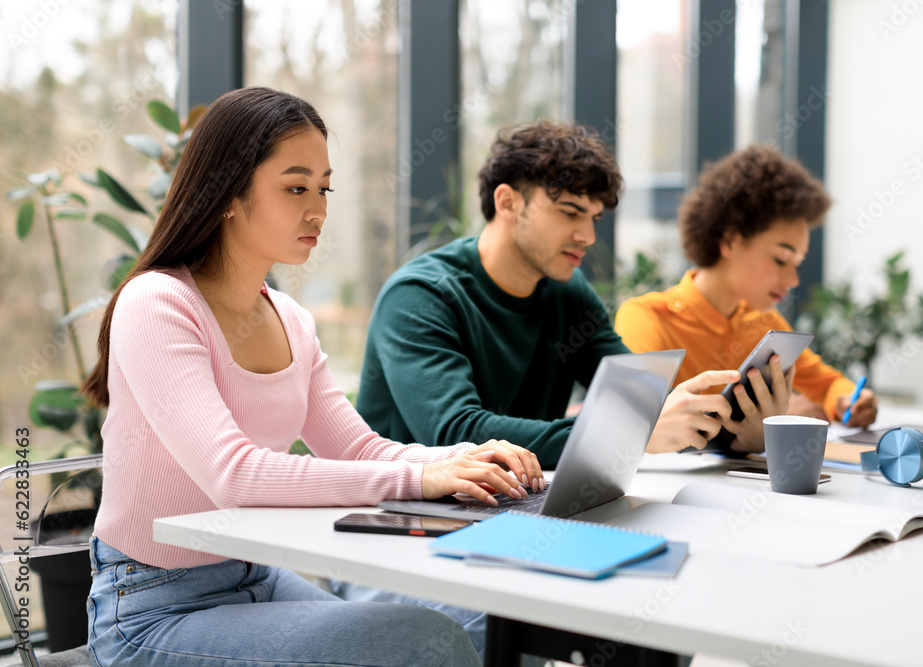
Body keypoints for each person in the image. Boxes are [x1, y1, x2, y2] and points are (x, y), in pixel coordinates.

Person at [80, 86, 544, 667]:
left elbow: (359, 447)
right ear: (227, 190)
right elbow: (235, 476)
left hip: (258, 579)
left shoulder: (291, 320)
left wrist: (463, 460)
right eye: (295, 187)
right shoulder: (158, 302)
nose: (318, 209)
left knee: (485, 616)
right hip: (153, 609)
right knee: (427, 643)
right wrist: (419, 482)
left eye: (323, 188)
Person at [354, 119, 741, 468]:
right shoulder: (420, 296)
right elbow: (457, 432)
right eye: (570, 212)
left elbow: (640, 402)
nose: (587, 236)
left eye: (593, 218)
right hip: (402, 514)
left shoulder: (566, 292)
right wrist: (625, 435)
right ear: (507, 203)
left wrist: (736, 428)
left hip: (517, 499)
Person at [615, 144, 877, 452]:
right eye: (781, 259)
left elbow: (829, 384)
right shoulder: (648, 318)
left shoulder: (764, 323)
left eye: (798, 263)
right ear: (729, 241)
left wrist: (850, 401)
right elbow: (636, 430)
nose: (793, 279)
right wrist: (769, 427)